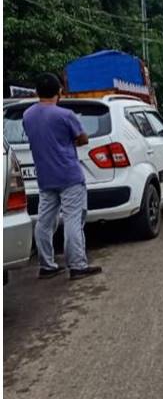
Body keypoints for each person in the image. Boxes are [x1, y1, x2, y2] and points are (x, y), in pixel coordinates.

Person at [22, 73, 102, 280]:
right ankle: (77, 266)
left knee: (44, 221)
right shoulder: (65, 115)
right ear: (59, 91)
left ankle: (47, 265)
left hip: (45, 176)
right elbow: (82, 139)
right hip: (69, 175)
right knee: (73, 220)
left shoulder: (28, 115)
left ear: (36, 92)